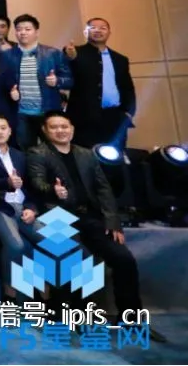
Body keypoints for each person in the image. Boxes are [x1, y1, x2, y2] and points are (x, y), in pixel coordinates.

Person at [27, 112, 166, 342]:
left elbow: (103, 189)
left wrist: (112, 221)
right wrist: (53, 190)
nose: (60, 131)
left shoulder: (85, 154)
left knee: (123, 259)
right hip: (56, 215)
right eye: (54, 127)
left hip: (89, 216)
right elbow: (37, 183)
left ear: (72, 129)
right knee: (79, 259)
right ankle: (78, 317)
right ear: (45, 130)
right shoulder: (37, 153)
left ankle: (131, 321)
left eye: (64, 126)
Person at [0, 115, 39, 303]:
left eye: (3, 128)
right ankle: (9, 294)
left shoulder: (19, 155)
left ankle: (47, 293)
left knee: (55, 239)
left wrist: (31, 208)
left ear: (10, 131)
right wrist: (7, 183)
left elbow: (31, 187)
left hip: (24, 207)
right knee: (17, 245)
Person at [0, 14, 73, 150]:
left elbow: (70, 80)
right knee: (26, 150)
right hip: (21, 113)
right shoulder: (7, 56)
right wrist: (10, 91)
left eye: (27, 29)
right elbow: (1, 82)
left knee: (53, 149)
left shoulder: (52, 53)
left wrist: (57, 81)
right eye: (19, 29)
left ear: (36, 32)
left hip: (48, 111)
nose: (23, 32)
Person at [64, 18, 136, 149]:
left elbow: (127, 89)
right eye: (93, 28)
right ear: (85, 32)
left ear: (109, 32)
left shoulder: (120, 59)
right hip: (84, 119)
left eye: (103, 28)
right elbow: (66, 75)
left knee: (115, 156)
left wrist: (128, 113)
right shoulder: (75, 52)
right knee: (86, 156)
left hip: (115, 117)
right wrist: (70, 58)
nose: (98, 30)